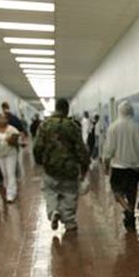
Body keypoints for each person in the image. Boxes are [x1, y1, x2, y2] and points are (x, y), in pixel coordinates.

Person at [34, 98, 90, 234]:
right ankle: (69, 221)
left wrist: (40, 162)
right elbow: (81, 149)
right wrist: (84, 168)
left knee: (50, 192)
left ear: (56, 108)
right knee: (69, 194)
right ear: (66, 110)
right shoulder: (72, 126)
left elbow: (37, 147)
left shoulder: (44, 125)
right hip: (69, 169)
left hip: (50, 168)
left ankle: (53, 212)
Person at [102, 101, 139, 231]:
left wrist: (106, 164)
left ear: (119, 111)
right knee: (131, 194)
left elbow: (109, 149)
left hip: (118, 167)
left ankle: (127, 210)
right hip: (134, 167)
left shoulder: (113, 127)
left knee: (117, 192)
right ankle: (130, 219)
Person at [0, 113, 20, 202]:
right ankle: (7, 188)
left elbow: (18, 138)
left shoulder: (12, 129)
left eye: (4, 119)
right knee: (4, 173)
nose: (2, 120)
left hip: (11, 153)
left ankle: (11, 194)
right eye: (0, 118)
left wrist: (12, 140)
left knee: (10, 173)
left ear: (7, 120)